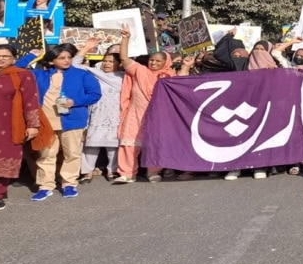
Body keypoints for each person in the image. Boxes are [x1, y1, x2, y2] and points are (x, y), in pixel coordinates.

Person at [114, 25, 188, 184]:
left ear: (165, 63)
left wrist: (186, 66)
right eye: (151, 60)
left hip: (158, 116)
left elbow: (182, 83)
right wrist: (125, 39)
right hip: (135, 114)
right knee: (129, 144)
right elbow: (125, 59)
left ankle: (153, 172)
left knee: (155, 143)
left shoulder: (169, 76)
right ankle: (127, 173)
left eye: (158, 61)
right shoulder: (139, 71)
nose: (153, 63)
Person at [29, 44, 102, 201]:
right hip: (46, 122)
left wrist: (75, 101)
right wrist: (31, 56)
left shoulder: (82, 74)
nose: (67, 60)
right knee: (46, 155)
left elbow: (95, 94)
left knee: (72, 154)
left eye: (69, 57)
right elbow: (16, 68)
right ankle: (45, 186)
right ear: (51, 61)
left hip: (72, 120)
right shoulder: (39, 74)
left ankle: (69, 184)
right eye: (61, 58)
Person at [0, 44, 50, 211]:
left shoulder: (22, 75)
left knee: (1, 161)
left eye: (5, 56)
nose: (0, 58)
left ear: (14, 59)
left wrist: (33, 125)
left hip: (7, 126)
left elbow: (30, 101)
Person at [74, 38, 124, 183]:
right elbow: (75, 64)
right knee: (91, 144)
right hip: (96, 112)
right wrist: (87, 47)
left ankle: (112, 170)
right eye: (106, 61)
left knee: (113, 145)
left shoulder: (124, 76)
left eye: (112, 62)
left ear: (119, 64)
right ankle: (87, 172)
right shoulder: (94, 72)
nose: (107, 64)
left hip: (116, 112)